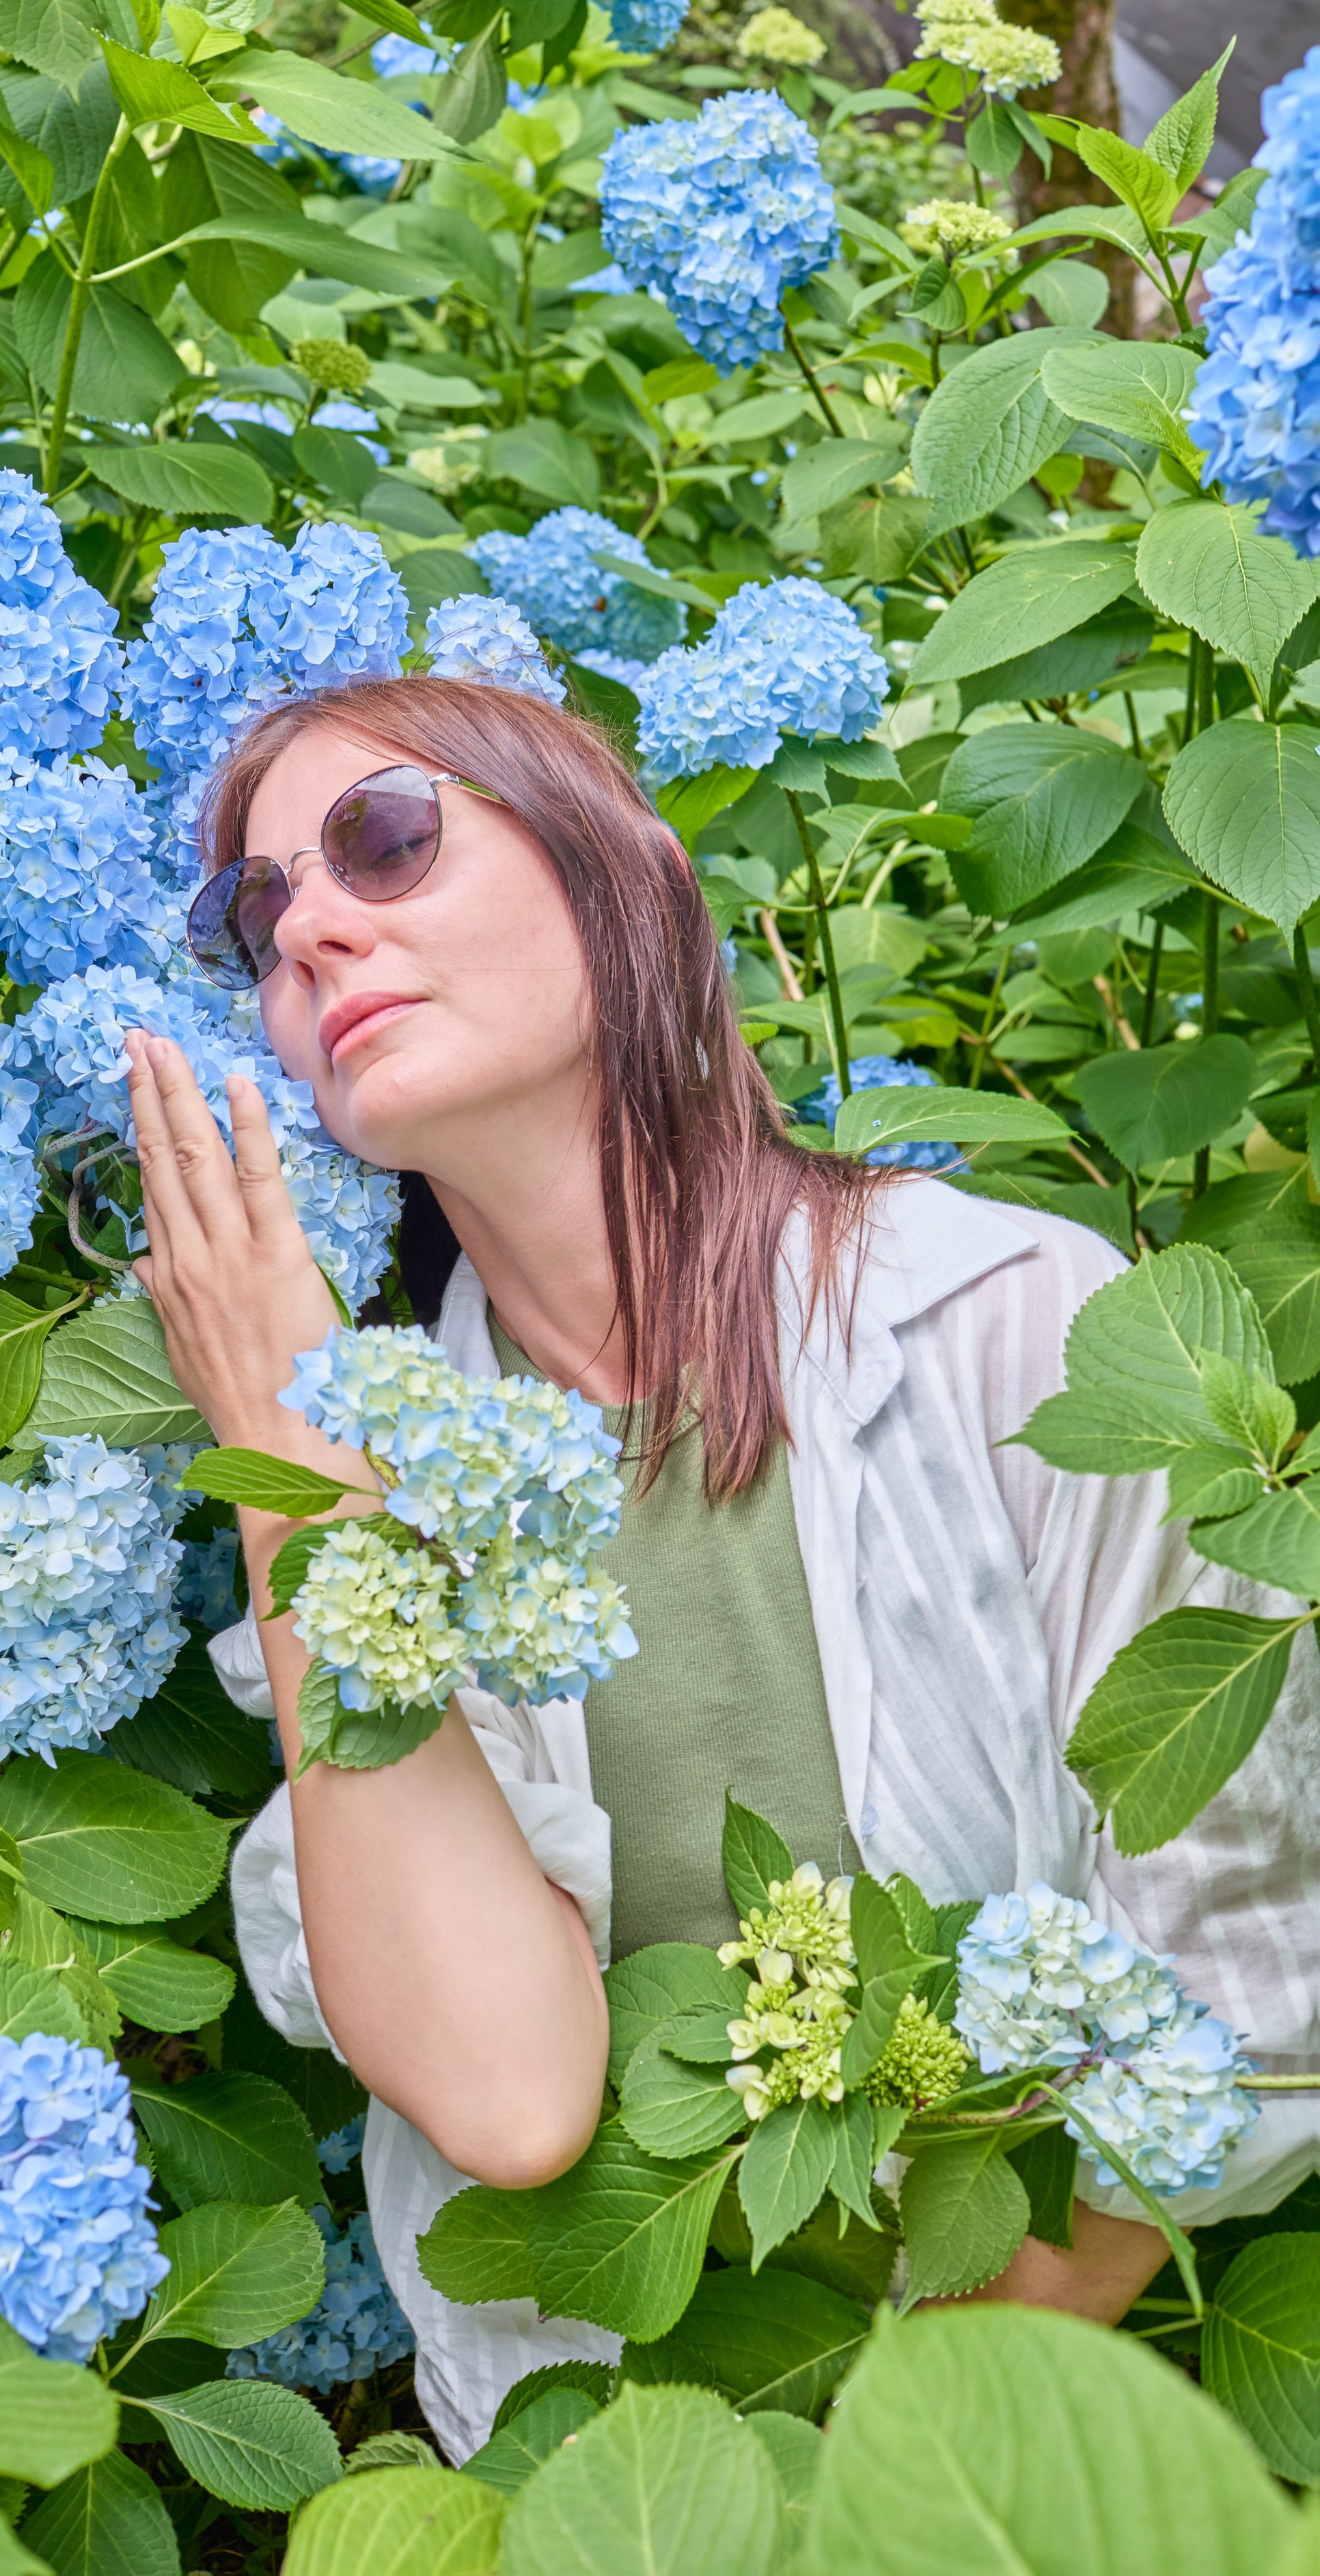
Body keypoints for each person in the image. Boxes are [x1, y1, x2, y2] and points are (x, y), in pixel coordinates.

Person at [124, 675, 1320, 2461]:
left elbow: (1243, 1982)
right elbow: (511, 2098)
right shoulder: (371, 1492)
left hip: (989, 2464)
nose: (309, 923)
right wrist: (293, 1457)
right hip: (581, 2490)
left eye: (385, 835)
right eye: (255, 916)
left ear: (634, 880)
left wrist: (886, 2483)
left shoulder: (1018, 1330)